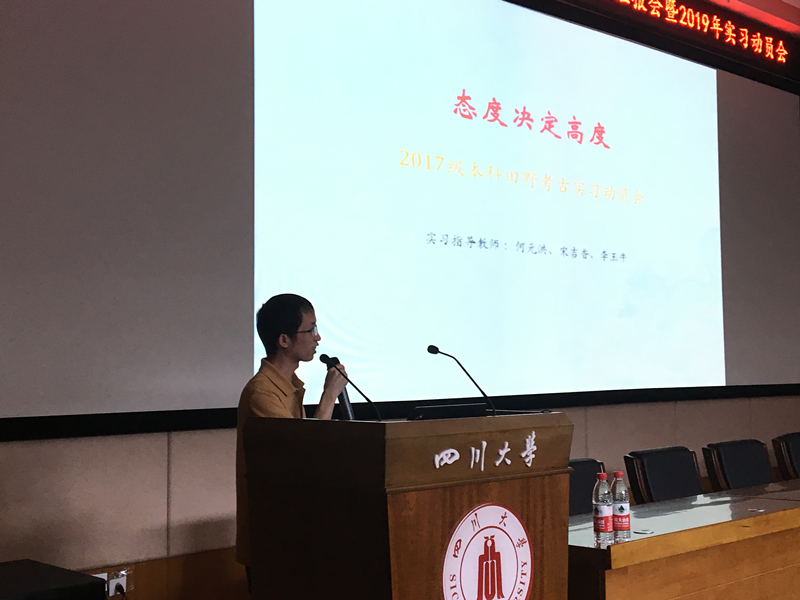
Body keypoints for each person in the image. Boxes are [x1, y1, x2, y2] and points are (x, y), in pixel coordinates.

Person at [235, 293, 347, 583]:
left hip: (294, 531)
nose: (317, 337)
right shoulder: (263, 392)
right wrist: (329, 396)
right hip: (273, 538)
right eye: (310, 329)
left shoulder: (288, 386)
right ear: (284, 340)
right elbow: (301, 454)